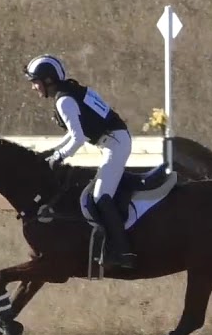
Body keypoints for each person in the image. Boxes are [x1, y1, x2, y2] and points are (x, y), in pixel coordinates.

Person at [24, 54, 137, 270]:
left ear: (48, 80)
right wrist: (52, 152)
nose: (33, 87)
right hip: (115, 140)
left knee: (101, 197)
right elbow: (75, 134)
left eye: (35, 82)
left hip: (115, 144)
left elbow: (79, 137)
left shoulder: (64, 101)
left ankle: (123, 252)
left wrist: (58, 157)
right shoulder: (69, 92)